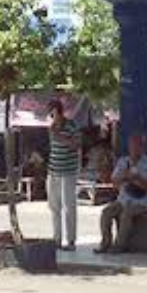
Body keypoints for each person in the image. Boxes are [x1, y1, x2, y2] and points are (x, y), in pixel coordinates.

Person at [96, 133, 147, 254]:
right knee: (106, 212)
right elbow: (113, 180)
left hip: (142, 202)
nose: (134, 148)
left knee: (126, 213)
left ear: (142, 147)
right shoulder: (123, 161)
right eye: (132, 146)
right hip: (123, 200)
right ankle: (105, 243)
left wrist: (138, 178)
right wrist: (124, 176)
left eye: (137, 146)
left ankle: (119, 245)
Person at [46, 97, 82, 251]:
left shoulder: (72, 126)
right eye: (50, 114)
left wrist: (59, 136)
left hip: (68, 172)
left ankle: (71, 241)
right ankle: (57, 239)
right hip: (53, 171)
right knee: (54, 207)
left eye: (53, 113)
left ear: (58, 112)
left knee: (69, 206)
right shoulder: (52, 127)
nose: (52, 117)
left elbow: (77, 145)